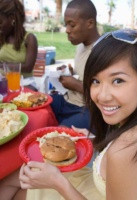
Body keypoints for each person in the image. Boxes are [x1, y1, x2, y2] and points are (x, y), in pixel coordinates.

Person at [0, 29, 137, 200]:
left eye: (117, 80)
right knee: (16, 179)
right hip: (97, 188)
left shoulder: (126, 151)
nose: (102, 95)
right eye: (95, 81)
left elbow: (125, 160)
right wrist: (94, 139)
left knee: (18, 186)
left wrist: (58, 183)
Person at [50, 0, 100, 130]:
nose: (67, 30)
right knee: (36, 104)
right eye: (66, 24)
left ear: (90, 23)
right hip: (67, 100)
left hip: (86, 110)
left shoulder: (102, 52)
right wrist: (69, 74)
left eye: (72, 25)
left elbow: (104, 93)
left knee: (59, 138)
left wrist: (75, 84)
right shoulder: (80, 45)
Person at [0, 0, 38, 78]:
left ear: (12, 18)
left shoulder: (29, 39)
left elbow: (28, 68)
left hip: (24, 84)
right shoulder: (1, 37)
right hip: (3, 82)